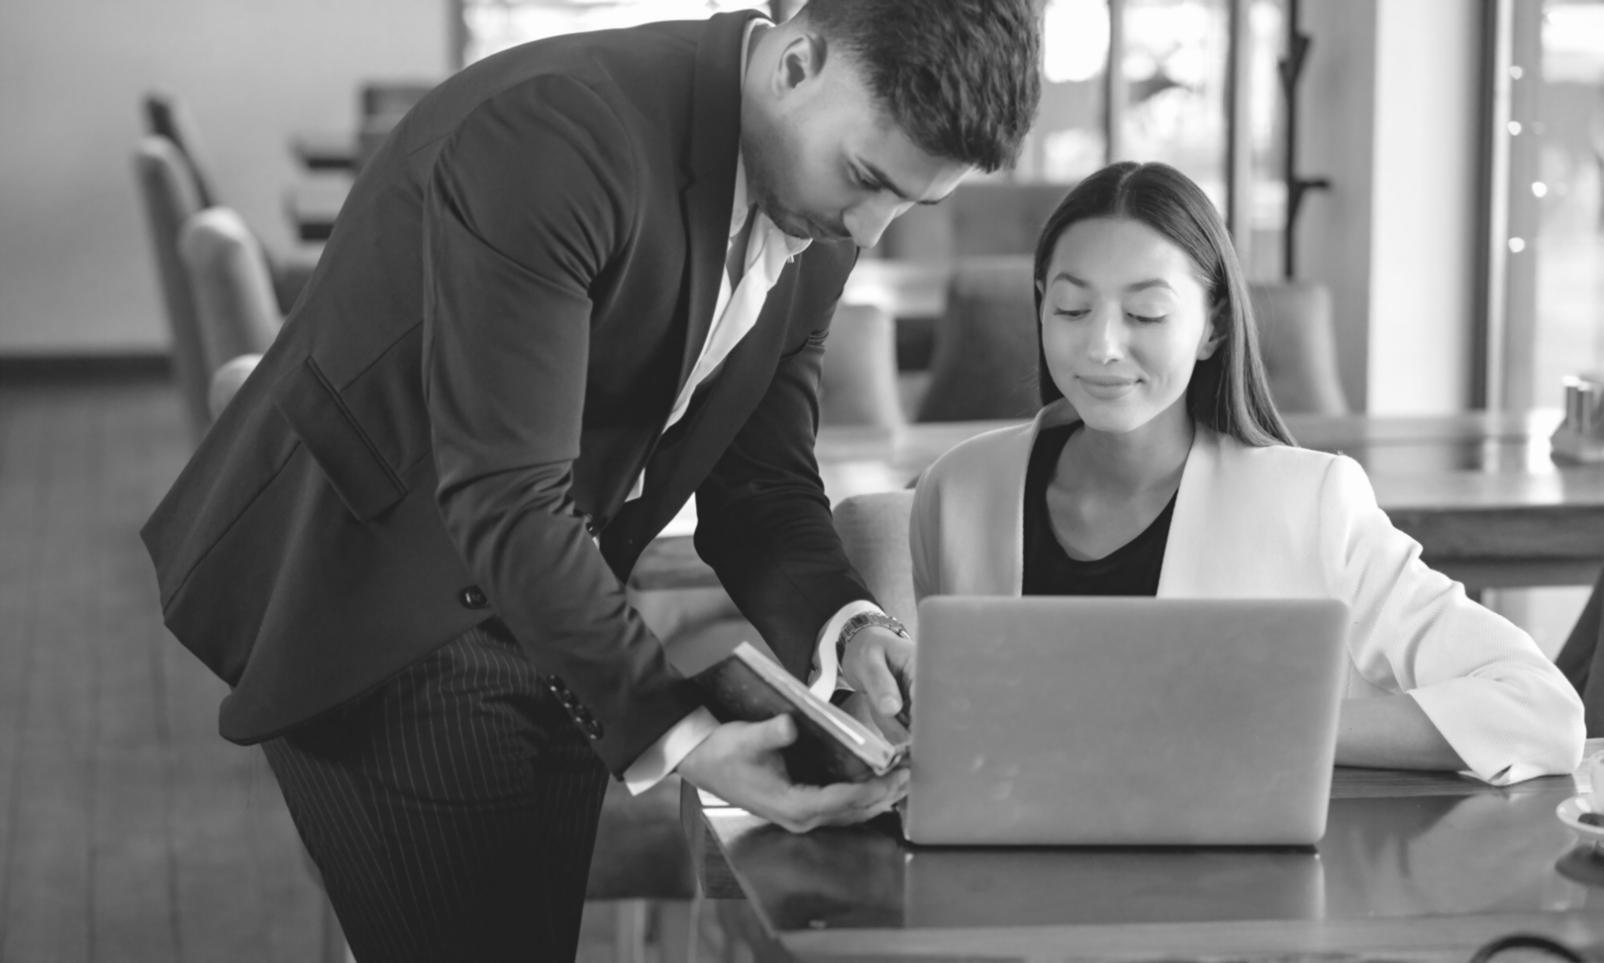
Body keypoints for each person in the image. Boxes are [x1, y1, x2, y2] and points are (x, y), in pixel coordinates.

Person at [139, 3, 1041, 960]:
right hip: (377, 601)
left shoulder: (821, 210)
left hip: (550, 601)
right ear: (798, 62)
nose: (869, 224)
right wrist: (684, 731)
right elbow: (505, 494)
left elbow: (761, 483)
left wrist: (854, 628)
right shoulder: (556, 136)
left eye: (911, 201)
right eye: (864, 177)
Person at [909, 161, 1584, 786]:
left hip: (1230, 896)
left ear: (1213, 327)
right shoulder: (960, 490)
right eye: (1072, 308)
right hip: (999, 883)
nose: (1101, 346)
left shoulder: (1311, 502)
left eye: (1145, 312)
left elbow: (1540, 709)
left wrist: (1267, 726)